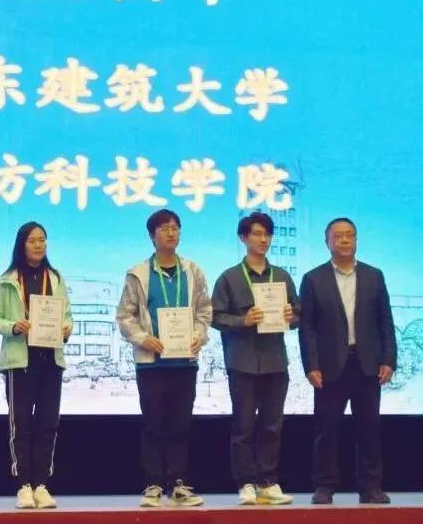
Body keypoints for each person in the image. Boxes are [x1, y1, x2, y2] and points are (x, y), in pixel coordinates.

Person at [116, 209, 211, 508]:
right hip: (151, 364)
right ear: (152, 236)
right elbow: (125, 316)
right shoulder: (138, 273)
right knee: (154, 425)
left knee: (181, 425)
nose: (171, 233)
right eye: (164, 228)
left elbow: (204, 311)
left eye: (175, 228)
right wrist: (144, 338)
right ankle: (154, 484)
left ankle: (179, 484)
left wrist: (198, 336)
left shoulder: (193, 271)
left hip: (185, 361)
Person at [299, 218, 397, 505]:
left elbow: (385, 321)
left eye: (350, 235)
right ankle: (324, 486)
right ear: (327, 242)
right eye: (338, 236)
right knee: (327, 429)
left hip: (367, 363)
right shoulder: (313, 279)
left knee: (369, 429)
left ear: (356, 240)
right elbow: (307, 328)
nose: (344, 240)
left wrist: (388, 359)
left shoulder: (374, 276)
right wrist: (311, 365)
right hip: (329, 366)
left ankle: (370, 487)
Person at [211, 211, 298, 506]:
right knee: (244, 426)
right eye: (257, 234)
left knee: (272, 426)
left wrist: (291, 316)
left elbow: (299, 314)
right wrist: (243, 320)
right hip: (243, 362)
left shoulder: (281, 276)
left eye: (267, 234)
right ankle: (245, 483)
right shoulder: (229, 277)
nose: (263, 240)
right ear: (243, 238)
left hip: (275, 362)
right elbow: (215, 316)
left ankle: (268, 481)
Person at [0, 222, 74, 509]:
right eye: (32, 240)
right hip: (19, 363)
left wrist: (66, 329)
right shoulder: (9, 280)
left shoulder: (55, 278)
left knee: (48, 424)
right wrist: (14, 326)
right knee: (20, 424)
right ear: (21, 244)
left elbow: (67, 316)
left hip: (51, 360)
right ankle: (23, 484)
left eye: (43, 240)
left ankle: (42, 484)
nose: (38, 245)